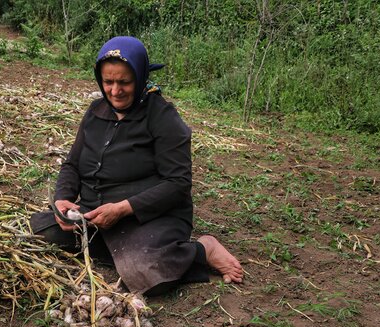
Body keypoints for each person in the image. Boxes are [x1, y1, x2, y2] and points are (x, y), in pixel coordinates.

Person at [30, 36, 243, 296]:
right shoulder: (95, 112)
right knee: (41, 231)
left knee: (146, 271)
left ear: (140, 77)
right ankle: (119, 251)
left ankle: (202, 250)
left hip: (147, 218)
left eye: (124, 82)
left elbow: (178, 184)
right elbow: (72, 165)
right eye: (108, 82)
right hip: (96, 214)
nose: (115, 91)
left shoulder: (162, 118)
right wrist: (62, 199)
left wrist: (122, 209)